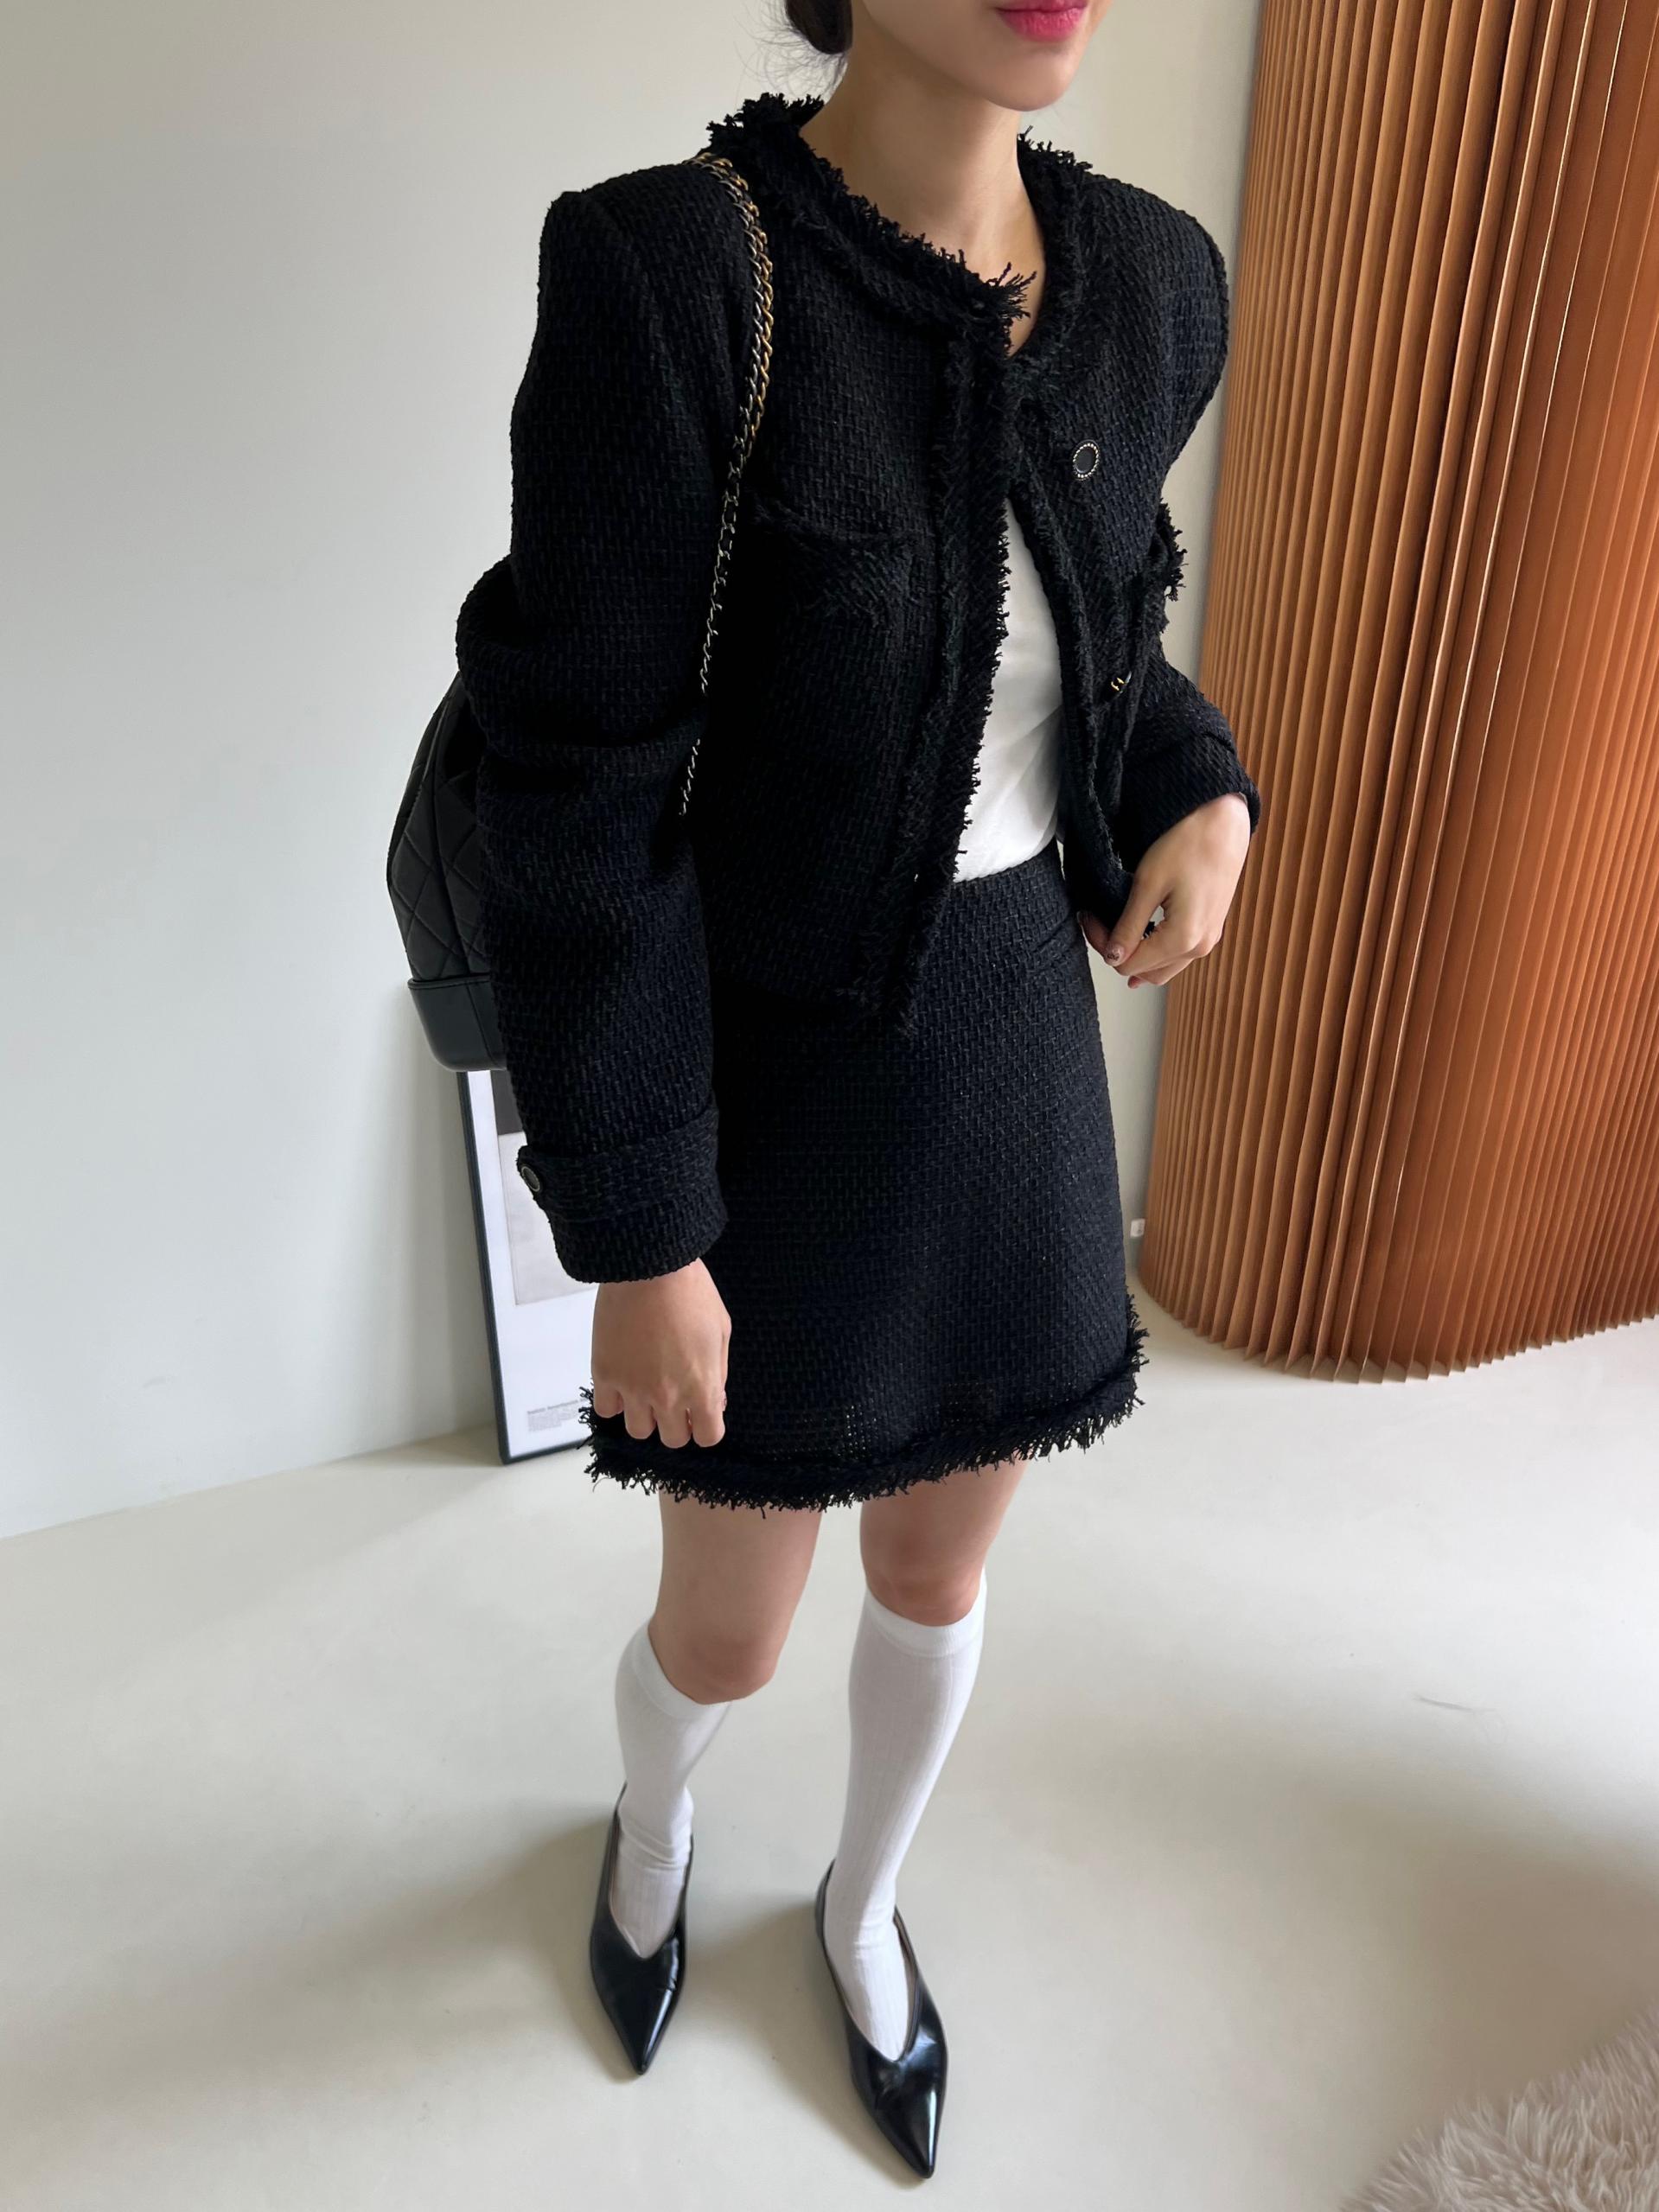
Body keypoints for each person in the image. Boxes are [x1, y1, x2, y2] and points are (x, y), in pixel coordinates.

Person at [454, 0, 1262, 2177]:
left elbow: (1105, 631)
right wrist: (640, 1222)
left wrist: (1200, 792)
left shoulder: (1148, 280)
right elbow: (573, 789)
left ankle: (866, 1900)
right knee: (728, 1625)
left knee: (938, 1574)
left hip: (1012, 1060)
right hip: (776, 1089)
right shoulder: (675, 277)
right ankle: (654, 1826)